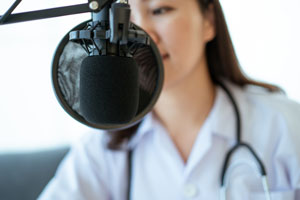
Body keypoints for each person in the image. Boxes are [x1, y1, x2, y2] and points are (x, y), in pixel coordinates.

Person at [39, 0, 300, 199]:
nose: (141, 33)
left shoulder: (284, 126)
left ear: (208, 21)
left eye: (160, 10)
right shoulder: (102, 150)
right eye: (125, 18)